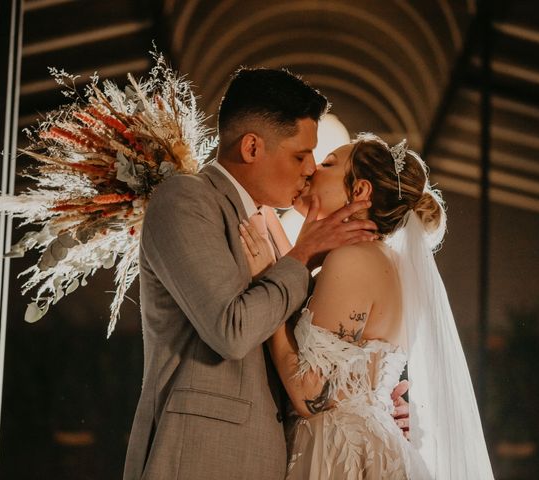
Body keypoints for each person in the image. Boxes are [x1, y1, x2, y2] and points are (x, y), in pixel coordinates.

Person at [122, 68, 391, 480]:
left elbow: (305, 353)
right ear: (251, 147)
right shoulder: (186, 200)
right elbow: (232, 329)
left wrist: (371, 406)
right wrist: (302, 256)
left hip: (271, 456)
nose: (309, 170)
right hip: (200, 457)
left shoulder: (273, 227)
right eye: (301, 155)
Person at [239, 134, 495, 478]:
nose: (313, 169)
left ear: (360, 192)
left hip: (339, 457)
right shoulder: (394, 265)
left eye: (328, 164)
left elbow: (310, 395)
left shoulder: (352, 260)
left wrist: (266, 286)